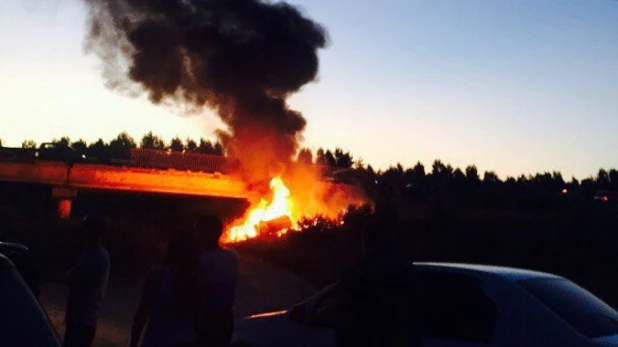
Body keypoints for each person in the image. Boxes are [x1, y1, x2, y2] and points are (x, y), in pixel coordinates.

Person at [335, 217, 423, 347]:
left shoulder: (358, 273)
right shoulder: (406, 270)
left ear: (366, 242)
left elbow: (344, 316)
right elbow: (418, 311)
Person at [130, 230, 201, 347]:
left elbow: (142, 313)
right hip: (185, 341)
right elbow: (200, 317)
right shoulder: (198, 278)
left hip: (157, 340)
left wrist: (133, 342)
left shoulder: (157, 275)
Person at [64, 215, 111, 347]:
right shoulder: (94, 254)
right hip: (83, 319)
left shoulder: (96, 256)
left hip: (83, 320)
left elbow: (72, 277)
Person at [193, 215, 239, 347]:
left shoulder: (201, 259)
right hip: (225, 319)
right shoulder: (232, 257)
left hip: (205, 320)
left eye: (197, 230)